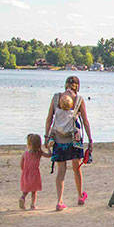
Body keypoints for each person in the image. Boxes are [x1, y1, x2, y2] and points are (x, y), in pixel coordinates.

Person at [44, 76, 93, 211]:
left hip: (58, 139)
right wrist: (90, 139)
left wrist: (47, 137)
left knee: (61, 171)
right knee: (76, 167)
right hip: (74, 139)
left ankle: (59, 201)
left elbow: (49, 119)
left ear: (65, 85)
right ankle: (79, 196)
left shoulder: (55, 98)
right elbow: (86, 121)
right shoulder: (79, 100)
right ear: (77, 86)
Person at [19, 134, 49, 210]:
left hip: (26, 173)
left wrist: (24, 170)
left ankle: (22, 197)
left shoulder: (25, 153)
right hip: (35, 173)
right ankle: (32, 205)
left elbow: (21, 164)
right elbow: (49, 155)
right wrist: (48, 148)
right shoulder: (39, 153)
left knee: (26, 189)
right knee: (34, 191)